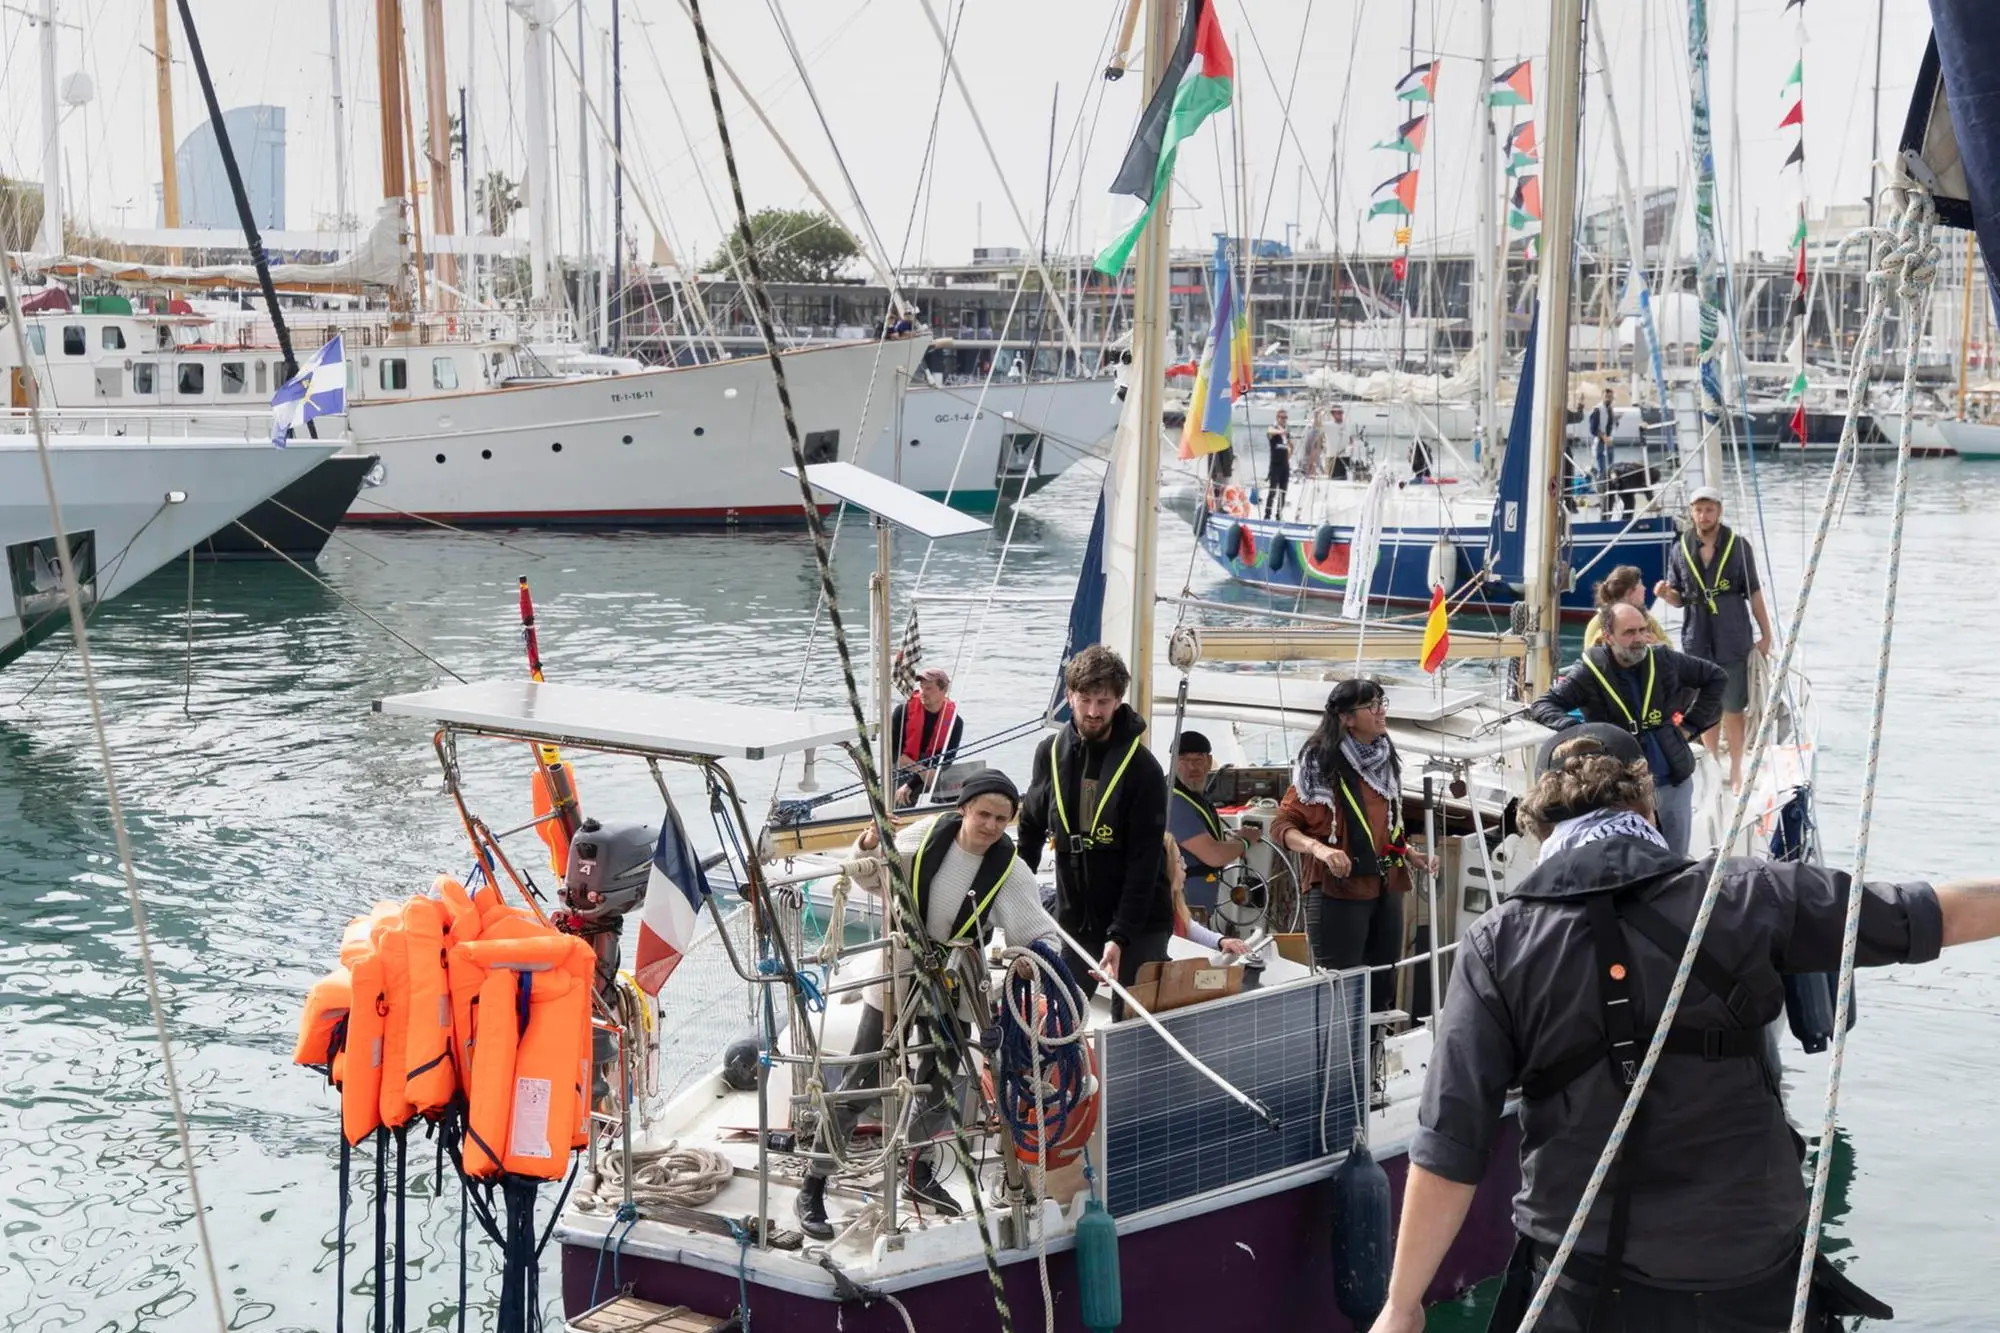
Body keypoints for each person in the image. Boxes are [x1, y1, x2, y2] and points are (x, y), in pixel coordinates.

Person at [1376, 724, 2000, 1333]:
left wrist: (1403, 1306)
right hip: (1749, 1271)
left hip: (1582, 1277)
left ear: (1539, 825)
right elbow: (1929, 916)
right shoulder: (1747, 895)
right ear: (1648, 805)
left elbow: (1450, 1143)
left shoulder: (1498, 945)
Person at [795, 769, 1061, 1239]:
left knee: (939, 1085)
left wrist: (1033, 959)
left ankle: (916, 1174)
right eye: (983, 814)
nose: (991, 825)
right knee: (862, 1076)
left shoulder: (1011, 869)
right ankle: (813, 1182)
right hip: (898, 969)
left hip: (955, 977)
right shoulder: (921, 838)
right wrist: (867, 844)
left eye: (1001, 819)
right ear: (963, 809)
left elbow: (1036, 929)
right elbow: (871, 877)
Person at [1017, 645, 1172, 1019]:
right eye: (1084, 699)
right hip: (1076, 921)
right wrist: (1014, 903)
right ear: (1069, 696)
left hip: (1138, 923)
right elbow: (1030, 831)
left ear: (1118, 701)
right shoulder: (1049, 753)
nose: (1093, 711)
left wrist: (1120, 935)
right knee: (1057, 1022)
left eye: (1103, 701)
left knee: (1133, 1030)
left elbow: (1144, 862)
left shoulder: (1144, 770)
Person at [1269, 678, 1434, 1011]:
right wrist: (1320, 850)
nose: (1381, 711)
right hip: (1338, 893)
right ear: (1346, 718)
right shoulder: (1320, 761)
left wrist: (1409, 853)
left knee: (1381, 988)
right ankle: (1341, 1048)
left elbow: (1383, 824)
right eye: (1371, 705)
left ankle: (1374, 1044)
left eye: (1381, 702)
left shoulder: (1385, 759)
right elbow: (1281, 826)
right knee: (1340, 995)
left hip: (1386, 887)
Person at [1528, 601, 1726, 857]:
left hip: (1671, 780)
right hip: (1622, 790)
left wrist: (1691, 725)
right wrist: (1582, 733)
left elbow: (1715, 677)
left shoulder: (1663, 659)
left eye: (1643, 630)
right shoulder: (1590, 672)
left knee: (1675, 859)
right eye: (1629, 632)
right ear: (1608, 636)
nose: (1639, 638)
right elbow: (1543, 704)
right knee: (1633, 860)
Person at [1655, 485, 1777, 790]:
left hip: (1732, 637)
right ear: (1691, 512)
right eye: (1698, 509)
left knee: (1734, 706)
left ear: (1719, 512)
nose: (1703, 515)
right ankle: (1712, 764)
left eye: (1709, 509)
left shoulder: (1738, 546)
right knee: (1705, 707)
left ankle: (1736, 769)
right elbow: (1678, 599)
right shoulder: (1680, 548)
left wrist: (1766, 634)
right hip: (1697, 639)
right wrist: (1665, 594)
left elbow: (1755, 593)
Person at [1164, 731, 1262, 924]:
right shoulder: (1173, 802)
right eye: (1184, 760)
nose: (1192, 767)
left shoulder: (1192, 797)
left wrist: (1232, 844)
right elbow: (1214, 855)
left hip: (1194, 911)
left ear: (1209, 762)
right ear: (1173, 763)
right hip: (1179, 911)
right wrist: (1245, 841)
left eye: (1198, 760)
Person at [1163, 834, 1251, 955]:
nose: (1185, 866)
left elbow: (1189, 926)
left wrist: (1221, 941)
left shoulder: (1174, 904)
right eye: (1179, 861)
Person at [888, 668, 964, 807]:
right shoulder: (902, 712)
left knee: (961, 794)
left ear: (944, 690)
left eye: (928, 688)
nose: (923, 692)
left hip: (933, 769)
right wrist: (919, 772)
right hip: (902, 769)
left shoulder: (955, 722)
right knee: (903, 797)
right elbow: (894, 754)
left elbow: (946, 761)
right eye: (921, 687)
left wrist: (913, 782)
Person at [1581, 564, 1668, 651]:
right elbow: (1591, 653)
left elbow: (1669, 646)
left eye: (1641, 630)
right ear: (1629, 592)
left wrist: (1657, 645)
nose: (1644, 588)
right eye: (1641, 585)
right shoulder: (1599, 622)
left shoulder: (1648, 619)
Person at [1585, 387, 1616, 497]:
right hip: (1599, 441)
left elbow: (1611, 425)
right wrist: (1603, 437)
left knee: (1611, 466)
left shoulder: (1610, 409)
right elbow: (1593, 429)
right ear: (1602, 397)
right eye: (1607, 397)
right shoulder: (1597, 409)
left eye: (1610, 397)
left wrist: (1610, 437)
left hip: (1609, 440)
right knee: (1601, 467)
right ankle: (1601, 490)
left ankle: (1609, 487)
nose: (1609, 399)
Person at [1264, 409, 1292, 519]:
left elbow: (1290, 445)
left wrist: (1289, 453)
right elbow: (1269, 431)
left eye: (1286, 417)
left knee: (1283, 491)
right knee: (1273, 491)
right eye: (1282, 417)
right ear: (1277, 418)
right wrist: (1280, 432)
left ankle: (1279, 514)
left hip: (1285, 464)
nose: (1284, 420)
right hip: (1275, 465)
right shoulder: (1274, 429)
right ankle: (1267, 514)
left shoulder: (1287, 431)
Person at [1301, 407, 1328, 478]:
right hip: (1309, 468)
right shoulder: (1312, 435)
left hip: (1314, 467)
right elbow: (1315, 430)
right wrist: (1317, 415)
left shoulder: (1315, 436)